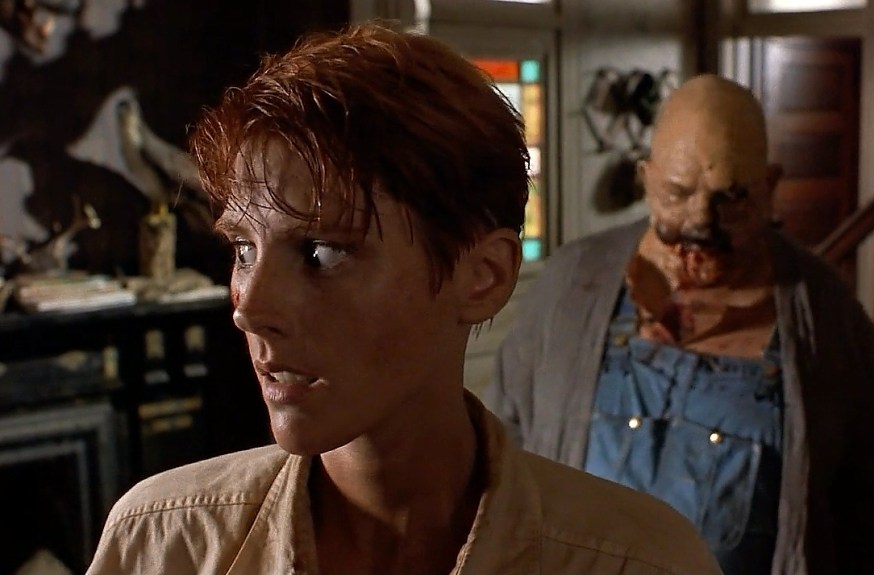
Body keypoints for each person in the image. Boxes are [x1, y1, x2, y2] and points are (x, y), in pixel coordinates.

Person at [85, 23, 721, 575]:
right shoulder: (163, 544)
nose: (250, 308)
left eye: (323, 253)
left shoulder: (638, 561)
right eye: (244, 249)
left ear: (483, 277)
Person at [489, 74, 874, 575]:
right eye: (677, 193)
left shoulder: (825, 311)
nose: (700, 222)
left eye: (731, 198)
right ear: (647, 179)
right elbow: (501, 452)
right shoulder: (572, 281)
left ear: (770, 187)